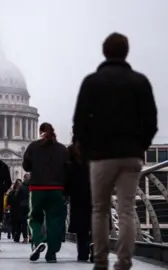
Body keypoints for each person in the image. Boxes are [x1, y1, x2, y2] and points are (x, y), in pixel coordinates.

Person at [73, 32, 157, 270]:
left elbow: (80, 121)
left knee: (99, 210)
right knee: (127, 209)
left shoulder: (92, 82)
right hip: (131, 155)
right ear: (126, 52)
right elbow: (151, 121)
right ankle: (124, 262)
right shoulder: (140, 81)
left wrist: (87, 150)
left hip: (101, 156)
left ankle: (100, 261)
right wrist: (140, 146)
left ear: (104, 51)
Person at [23, 123, 68, 263]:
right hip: (56, 190)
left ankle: (37, 243)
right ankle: (52, 254)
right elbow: (68, 171)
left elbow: (26, 166)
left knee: (35, 218)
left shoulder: (33, 147)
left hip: (37, 189)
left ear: (40, 131)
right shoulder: (62, 149)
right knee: (55, 221)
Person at [66, 131, 93, 263]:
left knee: (81, 225)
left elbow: (66, 172)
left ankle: (83, 253)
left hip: (78, 191)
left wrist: (66, 191)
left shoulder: (71, 150)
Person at [13, 177, 30, 244]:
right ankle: (31, 237)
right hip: (31, 205)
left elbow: (15, 197)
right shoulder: (32, 186)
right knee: (31, 222)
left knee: (24, 223)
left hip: (22, 206)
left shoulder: (21, 187)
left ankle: (25, 238)